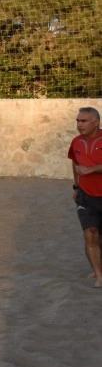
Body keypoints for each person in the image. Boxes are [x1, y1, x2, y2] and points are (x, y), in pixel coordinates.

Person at [68, 106, 102, 288]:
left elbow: (86, 167)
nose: (79, 124)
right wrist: (76, 186)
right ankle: (99, 275)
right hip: (85, 196)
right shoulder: (76, 142)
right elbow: (75, 163)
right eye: (77, 121)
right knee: (90, 234)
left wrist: (93, 169)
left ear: (96, 122)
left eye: (83, 121)